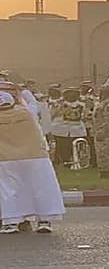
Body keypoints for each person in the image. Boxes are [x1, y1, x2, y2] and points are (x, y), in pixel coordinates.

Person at [0, 86, 66, 234]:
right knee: (41, 188)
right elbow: (32, 101)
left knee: (8, 190)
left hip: (5, 159)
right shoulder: (28, 112)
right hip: (36, 157)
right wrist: (21, 92)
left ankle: (11, 223)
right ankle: (44, 221)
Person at [50, 87, 89, 166]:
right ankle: (62, 161)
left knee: (76, 147)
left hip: (77, 130)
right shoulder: (58, 104)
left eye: (74, 93)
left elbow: (85, 116)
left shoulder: (82, 105)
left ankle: (76, 161)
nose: (71, 95)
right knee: (62, 146)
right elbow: (52, 115)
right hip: (61, 129)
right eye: (69, 93)